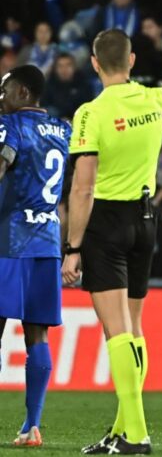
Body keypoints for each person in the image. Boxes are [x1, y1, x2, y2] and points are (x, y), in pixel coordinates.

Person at [61, 29, 162, 454]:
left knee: (116, 330)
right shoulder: (153, 100)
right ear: (133, 60)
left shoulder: (91, 112)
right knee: (135, 328)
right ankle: (122, 431)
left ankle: (137, 435)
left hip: (107, 220)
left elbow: (82, 189)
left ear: (94, 63)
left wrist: (72, 248)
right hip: (146, 218)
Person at [0, 65, 71, 447]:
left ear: (24, 93)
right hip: (46, 242)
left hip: (7, 241)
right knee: (37, 334)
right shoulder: (63, 130)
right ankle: (32, 426)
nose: (1, 99)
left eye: (5, 90)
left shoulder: (9, 127)